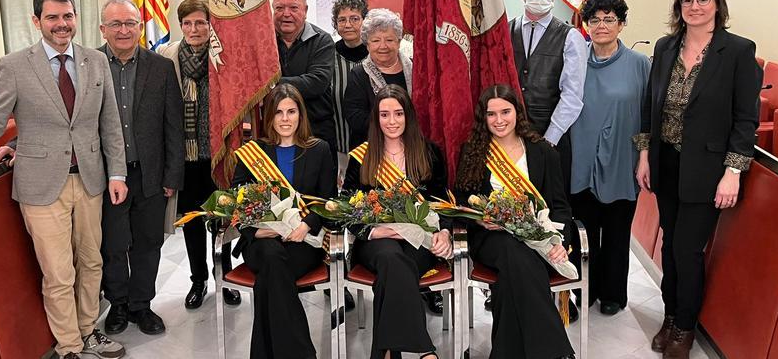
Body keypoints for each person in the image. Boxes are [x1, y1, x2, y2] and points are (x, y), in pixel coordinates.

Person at [0, 0, 128, 359]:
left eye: (68, 16)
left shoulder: (96, 61)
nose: (62, 24)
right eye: (52, 17)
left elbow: (110, 124)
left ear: (76, 18)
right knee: (58, 273)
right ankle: (69, 346)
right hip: (41, 186)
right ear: (37, 21)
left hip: (89, 179)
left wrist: (117, 173)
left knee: (92, 262)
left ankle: (89, 331)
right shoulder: (15, 65)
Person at [634, 0, 761, 359]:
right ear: (679, 6)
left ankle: (685, 327)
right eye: (687, 0)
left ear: (717, 4)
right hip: (666, 163)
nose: (695, 7)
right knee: (671, 247)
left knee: (688, 250)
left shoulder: (737, 51)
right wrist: (644, 154)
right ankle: (670, 318)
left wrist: (733, 171)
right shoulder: (666, 46)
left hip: (707, 170)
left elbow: (746, 119)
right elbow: (649, 107)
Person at [454, 85, 575, 359]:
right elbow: (461, 204)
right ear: (483, 118)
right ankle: (557, 352)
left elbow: (560, 207)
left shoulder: (544, 152)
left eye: (505, 111)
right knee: (512, 250)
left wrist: (561, 241)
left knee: (513, 276)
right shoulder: (473, 152)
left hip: (537, 236)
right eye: (491, 114)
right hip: (490, 237)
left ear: (517, 112)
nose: (499, 120)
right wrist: (481, 220)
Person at [95, 0, 184, 335]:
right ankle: (117, 305)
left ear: (140, 26)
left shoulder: (160, 68)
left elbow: (174, 126)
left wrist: (172, 175)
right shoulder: (90, 65)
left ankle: (141, 305)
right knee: (114, 244)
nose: (123, 30)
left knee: (149, 243)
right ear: (103, 28)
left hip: (150, 173)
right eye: (115, 24)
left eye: (130, 23)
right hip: (106, 176)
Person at [343, 85, 452, 359]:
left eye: (398, 114)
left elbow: (443, 203)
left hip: (418, 242)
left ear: (408, 116)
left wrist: (446, 232)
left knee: (391, 274)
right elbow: (345, 207)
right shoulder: (362, 156)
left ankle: (388, 352)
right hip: (377, 240)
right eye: (384, 115)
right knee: (390, 258)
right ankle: (425, 350)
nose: (391, 121)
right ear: (376, 119)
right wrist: (376, 230)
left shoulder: (429, 152)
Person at [230, 83, 336, 359]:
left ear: (301, 115)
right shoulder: (253, 152)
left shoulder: (320, 149)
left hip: (302, 241)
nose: (285, 119)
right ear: (270, 118)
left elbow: (328, 201)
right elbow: (236, 201)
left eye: (291, 111)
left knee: (272, 275)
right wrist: (255, 230)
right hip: (262, 241)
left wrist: (306, 225)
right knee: (272, 259)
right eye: (279, 113)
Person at [569, 0, 650, 316]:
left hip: (621, 159)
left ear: (622, 24)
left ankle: (613, 294)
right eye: (595, 19)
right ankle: (584, 290)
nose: (601, 26)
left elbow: (647, 115)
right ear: (586, 24)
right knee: (583, 231)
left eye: (609, 19)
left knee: (616, 233)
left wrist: (644, 157)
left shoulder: (639, 64)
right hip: (581, 160)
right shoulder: (574, 59)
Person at [159, 0, 241, 309]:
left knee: (223, 220)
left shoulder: (222, 55)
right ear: (180, 26)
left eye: (201, 22)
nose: (195, 29)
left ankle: (226, 279)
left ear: (210, 25)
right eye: (188, 23)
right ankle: (198, 280)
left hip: (218, 155)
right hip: (185, 157)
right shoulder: (167, 56)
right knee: (192, 222)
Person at [510, 0, 587, 189]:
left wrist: (549, 139)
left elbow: (572, 96)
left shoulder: (571, 37)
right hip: (510, 139)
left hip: (552, 139)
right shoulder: (505, 30)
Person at [273, 0, 337, 162]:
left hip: (316, 132)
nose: (286, 14)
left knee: (321, 189)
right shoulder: (264, 42)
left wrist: (269, 85)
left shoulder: (322, 40)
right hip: (276, 133)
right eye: (279, 8)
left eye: (294, 8)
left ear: (305, 10)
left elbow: (317, 82)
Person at [343, 8, 412, 150]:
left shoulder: (416, 70)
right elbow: (355, 117)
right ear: (367, 45)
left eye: (389, 40)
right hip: (371, 150)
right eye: (375, 40)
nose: (383, 46)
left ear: (399, 42)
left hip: (412, 146)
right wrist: (393, 126)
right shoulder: (358, 74)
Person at [331, 0, 369, 183]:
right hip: (338, 147)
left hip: (372, 148)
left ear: (365, 21)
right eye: (342, 20)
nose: (347, 25)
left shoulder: (377, 56)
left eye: (354, 19)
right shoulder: (327, 56)